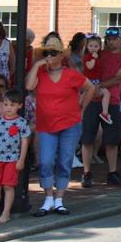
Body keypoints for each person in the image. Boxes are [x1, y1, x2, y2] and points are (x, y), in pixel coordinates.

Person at [26, 35, 95, 216]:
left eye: (53, 52)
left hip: (70, 124)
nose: (49, 55)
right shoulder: (40, 73)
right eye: (46, 52)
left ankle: (59, 199)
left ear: (61, 56)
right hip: (46, 125)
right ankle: (48, 198)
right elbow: (29, 85)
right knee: (45, 161)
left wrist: (82, 108)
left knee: (64, 161)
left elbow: (90, 88)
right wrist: (36, 65)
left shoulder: (71, 74)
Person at [80, 27, 121, 188]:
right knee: (87, 137)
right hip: (92, 99)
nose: (111, 41)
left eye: (114, 39)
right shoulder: (99, 53)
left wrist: (100, 85)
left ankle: (112, 172)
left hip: (112, 101)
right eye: (108, 39)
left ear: (120, 39)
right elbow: (86, 64)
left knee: (112, 140)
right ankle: (86, 173)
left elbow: (120, 77)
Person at [0, 89, 31, 224]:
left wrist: (21, 159)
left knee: (8, 186)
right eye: (6, 104)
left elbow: (25, 141)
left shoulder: (21, 122)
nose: (8, 108)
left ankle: (6, 213)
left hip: (12, 159)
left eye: (12, 105)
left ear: (19, 106)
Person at [82, 35, 113, 125]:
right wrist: (94, 58)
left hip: (96, 80)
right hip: (91, 81)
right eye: (91, 46)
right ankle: (104, 112)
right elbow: (89, 66)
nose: (93, 48)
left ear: (100, 47)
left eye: (96, 46)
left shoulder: (97, 57)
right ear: (87, 46)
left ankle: (104, 112)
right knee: (106, 93)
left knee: (104, 93)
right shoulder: (88, 57)